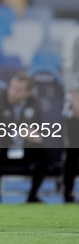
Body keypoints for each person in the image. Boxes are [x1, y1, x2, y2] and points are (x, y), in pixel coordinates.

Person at [0, 72, 49, 203]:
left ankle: (33, 196)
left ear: (27, 93)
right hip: (4, 145)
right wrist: (16, 132)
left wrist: (36, 136)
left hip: (26, 147)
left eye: (18, 91)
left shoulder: (35, 103)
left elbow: (42, 130)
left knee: (46, 150)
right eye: (12, 88)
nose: (13, 93)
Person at [61, 25, 79, 202]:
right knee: (74, 149)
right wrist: (74, 99)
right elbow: (69, 69)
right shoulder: (75, 36)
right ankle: (68, 191)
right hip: (76, 101)